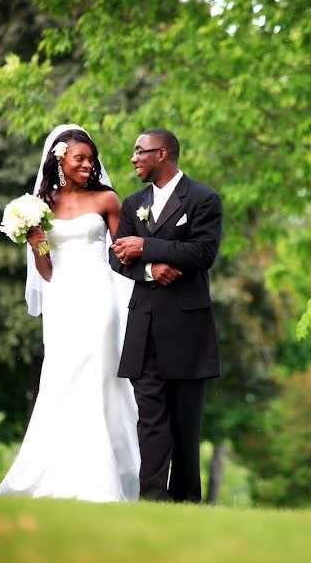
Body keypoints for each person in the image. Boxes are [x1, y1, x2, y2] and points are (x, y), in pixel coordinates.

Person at [0, 124, 140, 502]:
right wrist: (37, 243)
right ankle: (56, 473)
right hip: (61, 301)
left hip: (99, 296)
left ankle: (105, 477)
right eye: (80, 158)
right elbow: (46, 272)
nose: (88, 165)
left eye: (91, 159)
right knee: (60, 380)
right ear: (59, 159)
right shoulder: (41, 207)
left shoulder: (107, 199)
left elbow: (123, 251)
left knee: (98, 376)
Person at [110, 128, 222, 503]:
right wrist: (148, 269)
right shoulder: (131, 204)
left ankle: (187, 503)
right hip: (144, 329)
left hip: (188, 330)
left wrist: (147, 246)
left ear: (163, 154)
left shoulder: (204, 199)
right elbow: (116, 257)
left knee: (186, 427)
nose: (133, 158)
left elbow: (204, 252)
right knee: (151, 421)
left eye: (140, 151)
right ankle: (153, 500)